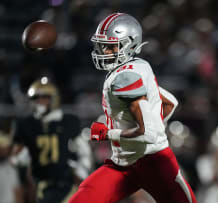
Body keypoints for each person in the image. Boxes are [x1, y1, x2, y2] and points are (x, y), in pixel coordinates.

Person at [69, 13, 197, 203]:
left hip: (153, 163)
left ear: (130, 44)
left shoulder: (125, 78)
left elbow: (148, 134)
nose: (104, 51)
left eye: (110, 46)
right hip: (124, 163)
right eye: (102, 45)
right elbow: (170, 102)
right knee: (84, 197)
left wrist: (108, 134)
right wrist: (153, 122)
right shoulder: (138, 66)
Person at [11, 77, 91, 203]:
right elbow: (17, 158)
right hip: (39, 184)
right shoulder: (26, 124)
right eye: (36, 98)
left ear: (53, 99)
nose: (40, 102)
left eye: (44, 97)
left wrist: (81, 173)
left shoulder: (68, 121)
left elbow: (84, 151)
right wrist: (22, 159)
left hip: (66, 182)